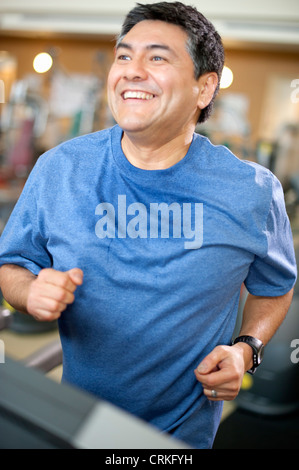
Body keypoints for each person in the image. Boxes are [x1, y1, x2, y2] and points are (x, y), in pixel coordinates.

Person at [0, 2, 297, 449]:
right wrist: (30, 292)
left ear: (205, 88)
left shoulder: (252, 191)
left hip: (184, 438)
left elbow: (274, 287)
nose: (131, 71)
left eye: (157, 57)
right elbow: (12, 266)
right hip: (74, 425)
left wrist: (245, 349)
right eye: (124, 55)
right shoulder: (60, 169)